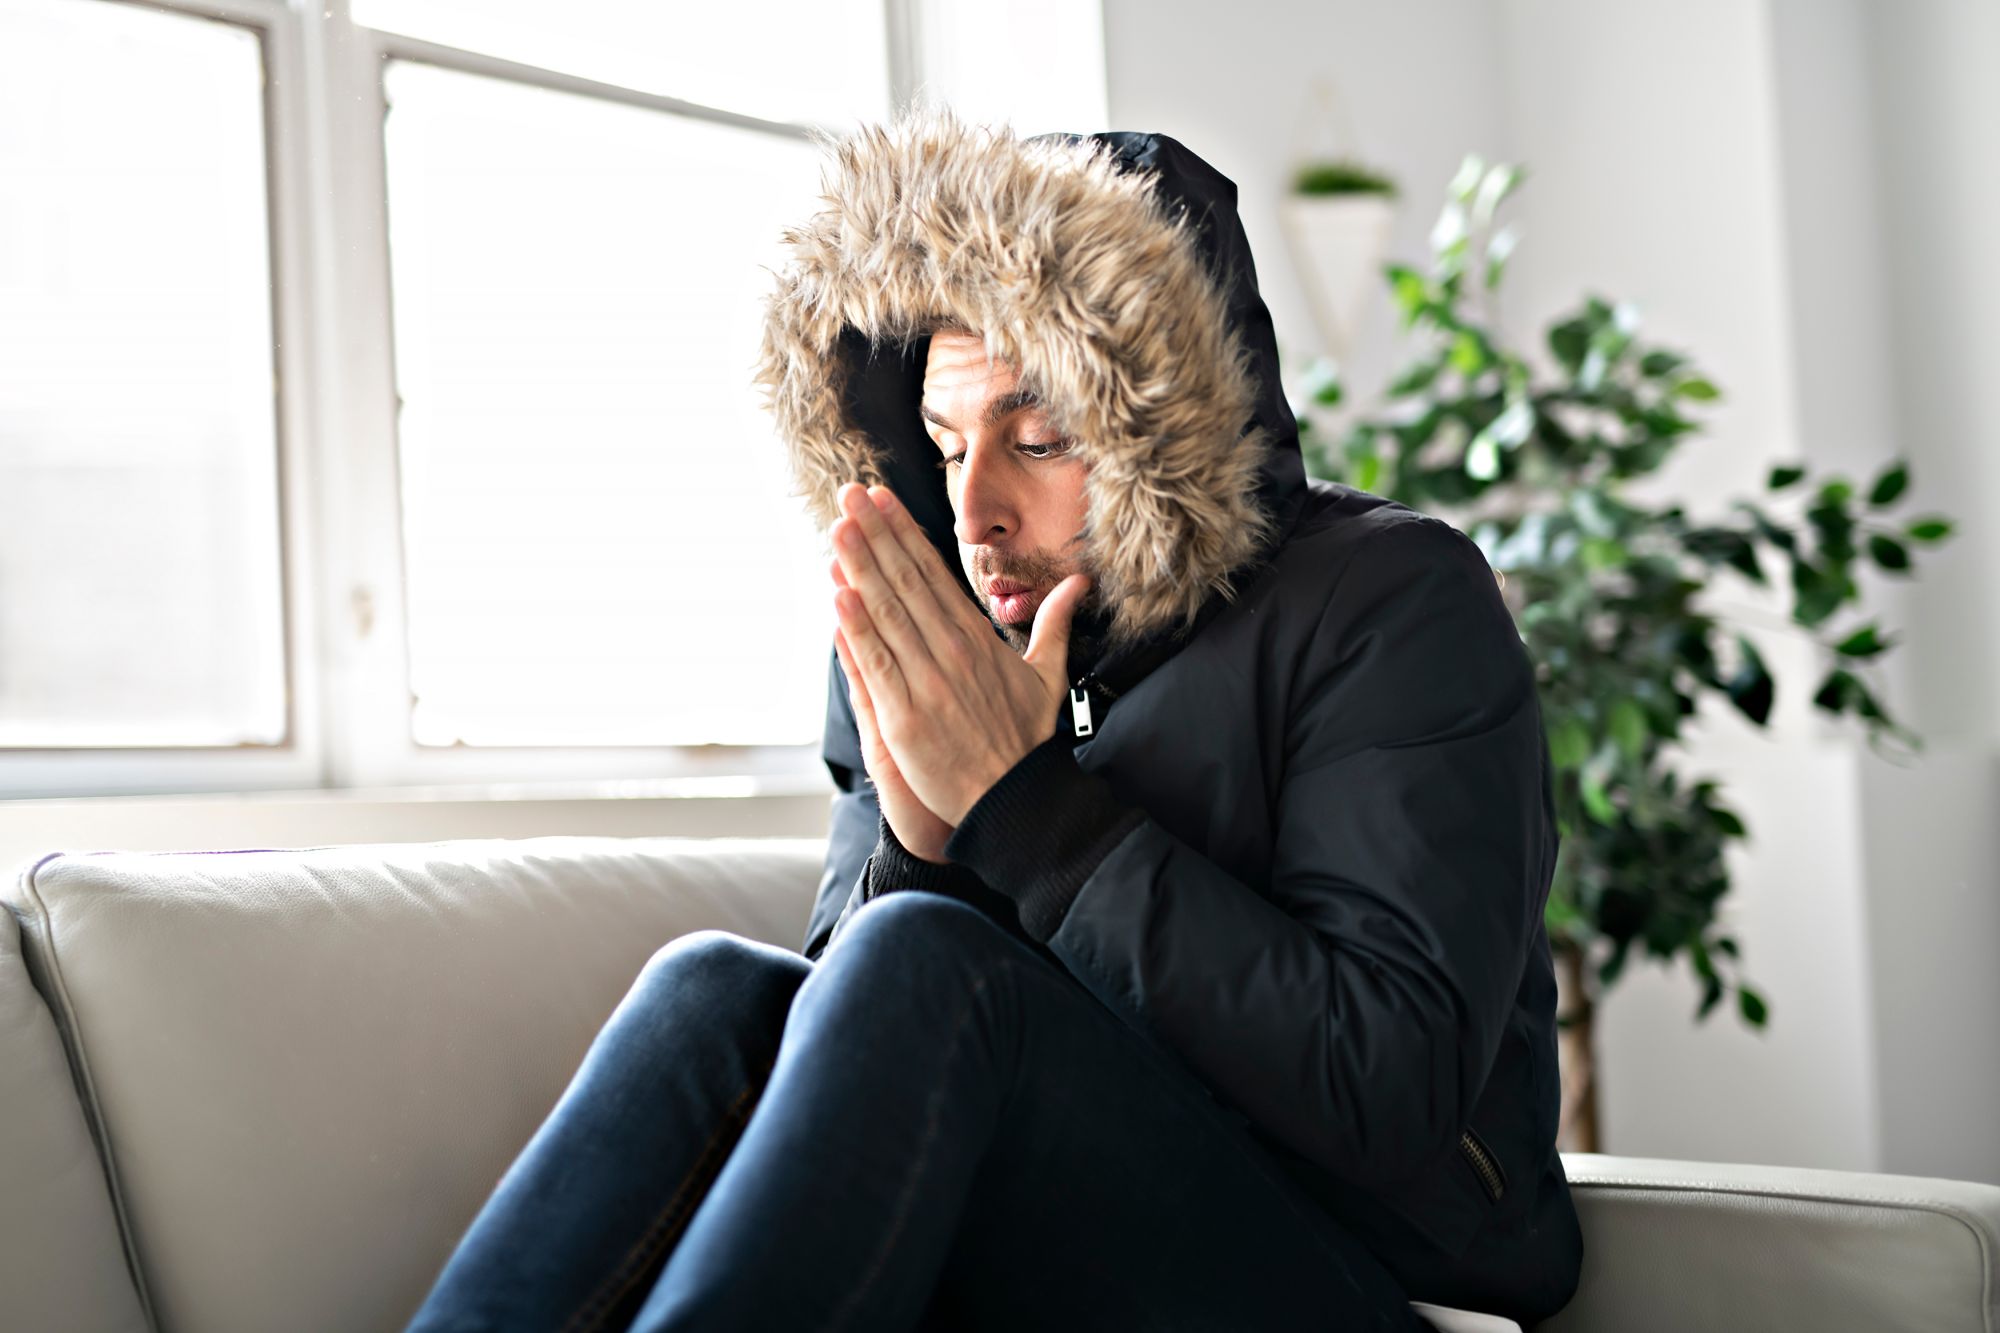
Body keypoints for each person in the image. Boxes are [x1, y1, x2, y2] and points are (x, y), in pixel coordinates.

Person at [404, 107, 1582, 1333]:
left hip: (1365, 1274)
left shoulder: (1390, 599)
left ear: (1158, 427)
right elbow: (850, 1075)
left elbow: (1385, 1087)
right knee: (712, 993)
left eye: (1038, 438)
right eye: (943, 440)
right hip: (1046, 1244)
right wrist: (916, 850)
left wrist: (1030, 816)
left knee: (930, 963)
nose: (975, 507)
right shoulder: (936, 633)